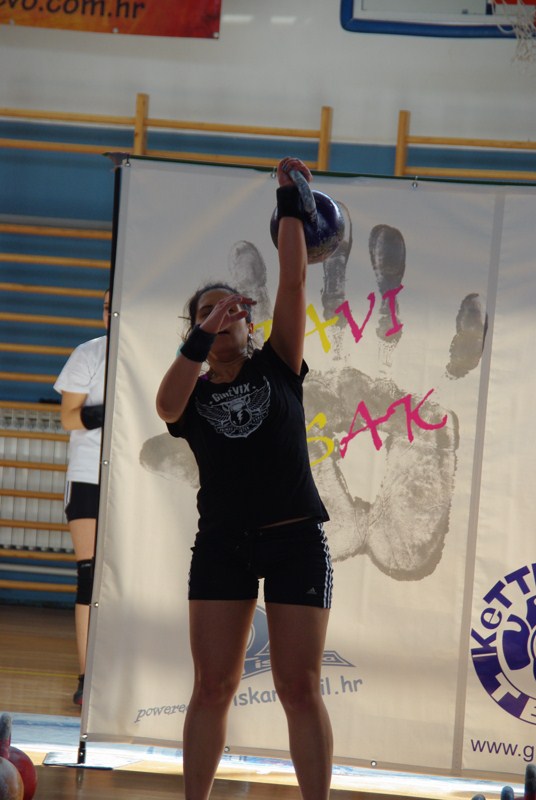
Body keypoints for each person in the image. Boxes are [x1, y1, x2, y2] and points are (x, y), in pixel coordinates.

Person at [156, 157, 333, 800]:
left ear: (247, 322)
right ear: (196, 330)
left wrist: (288, 200)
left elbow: (293, 280)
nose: (219, 314)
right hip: (223, 544)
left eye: (229, 309)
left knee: (298, 687)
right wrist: (202, 333)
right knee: (213, 687)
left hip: (294, 540)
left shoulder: (278, 363)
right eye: (207, 311)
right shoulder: (192, 391)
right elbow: (165, 407)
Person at [54, 289, 110, 706]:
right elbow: (69, 418)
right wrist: (111, 410)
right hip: (89, 475)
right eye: (106, 307)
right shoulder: (89, 353)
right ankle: (87, 677)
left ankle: (119, 673)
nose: (110, 313)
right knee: (89, 576)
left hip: (132, 477)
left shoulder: (151, 354)